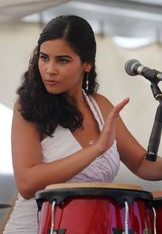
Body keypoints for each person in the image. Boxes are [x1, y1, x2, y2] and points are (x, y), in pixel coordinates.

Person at [3, 15, 162, 234]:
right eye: (44, 57)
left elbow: (142, 163)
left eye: (62, 60)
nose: (50, 69)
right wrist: (95, 150)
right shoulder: (28, 108)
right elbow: (27, 183)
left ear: (86, 63)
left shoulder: (100, 106)